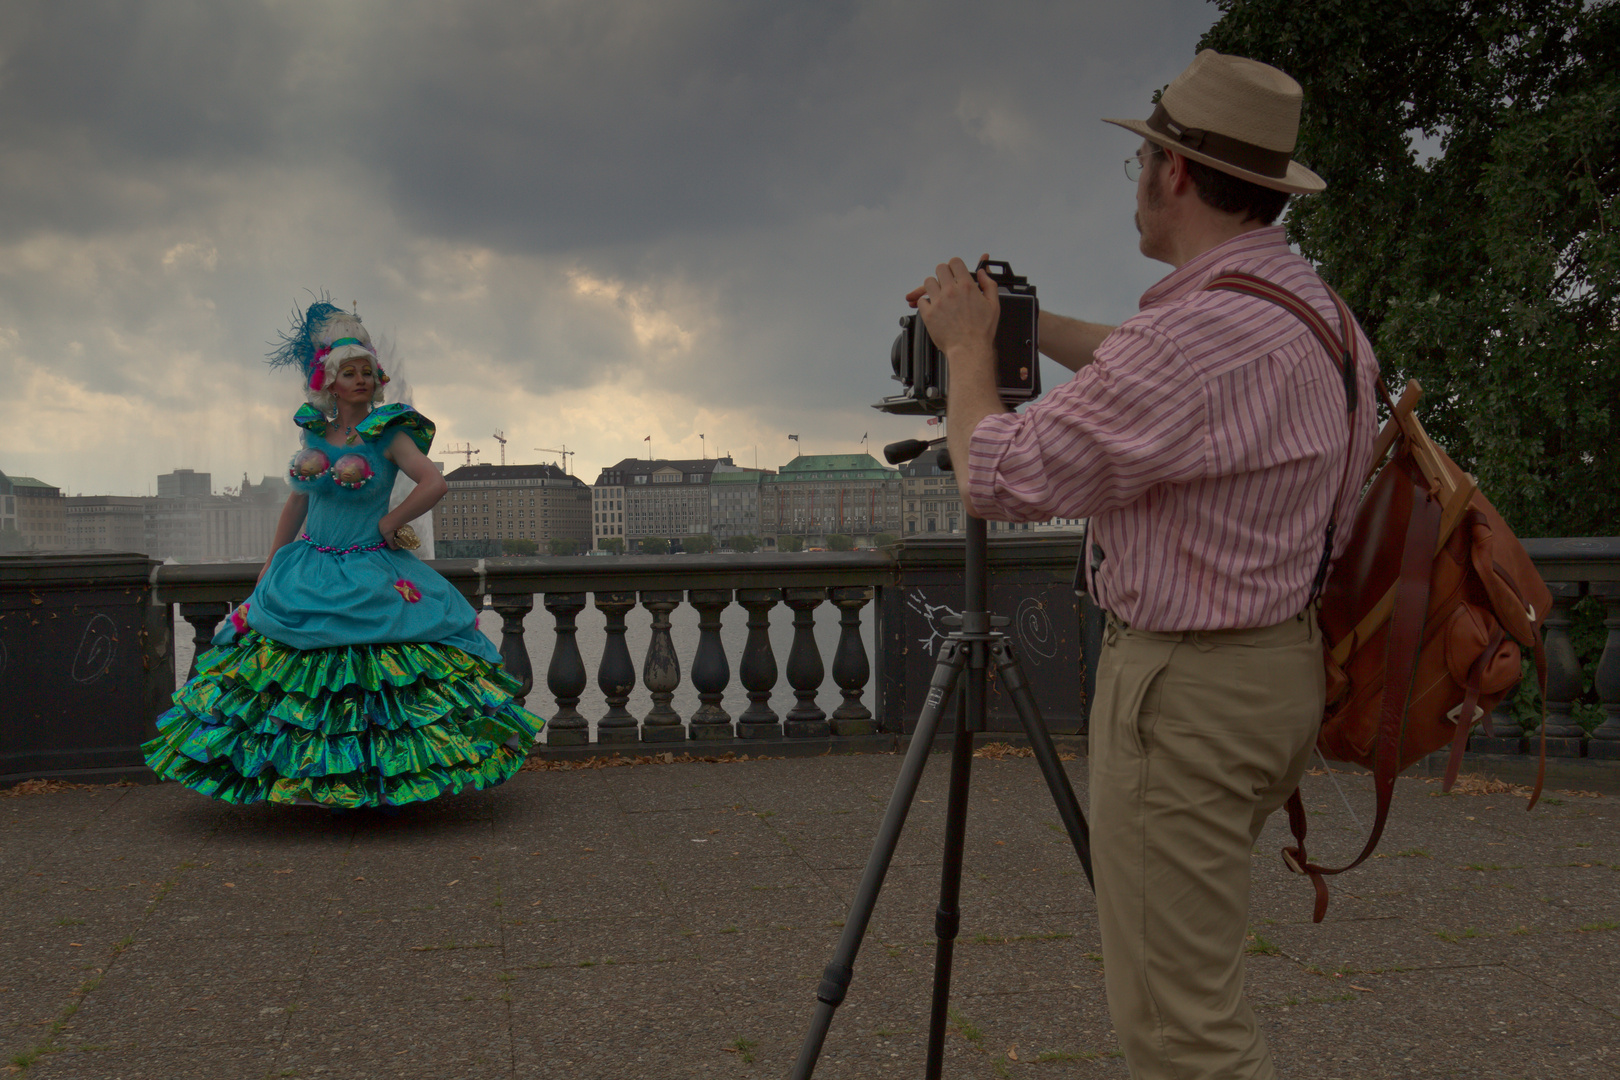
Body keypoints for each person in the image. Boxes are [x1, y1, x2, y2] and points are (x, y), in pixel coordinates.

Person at [909, 51, 1380, 1079]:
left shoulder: (1193, 344)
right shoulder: (1316, 320)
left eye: (1141, 163)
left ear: (1171, 173)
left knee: (1180, 1032)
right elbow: (1151, 369)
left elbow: (1001, 472)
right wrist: (1019, 329)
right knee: (1194, 984)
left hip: (1187, 697)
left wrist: (966, 356)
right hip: (1277, 675)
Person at [143, 299, 543, 808]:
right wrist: (273, 559)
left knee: (374, 681)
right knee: (310, 685)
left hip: (372, 566)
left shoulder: (390, 433)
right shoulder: (314, 432)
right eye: (349, 372)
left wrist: (390, 522)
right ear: (329, 382)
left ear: (378, 380)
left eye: (367, 372)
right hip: (308, 564)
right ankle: (317, 781)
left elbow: (435, 482)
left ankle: (375, 782)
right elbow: (298, 500)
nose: (361, 379)